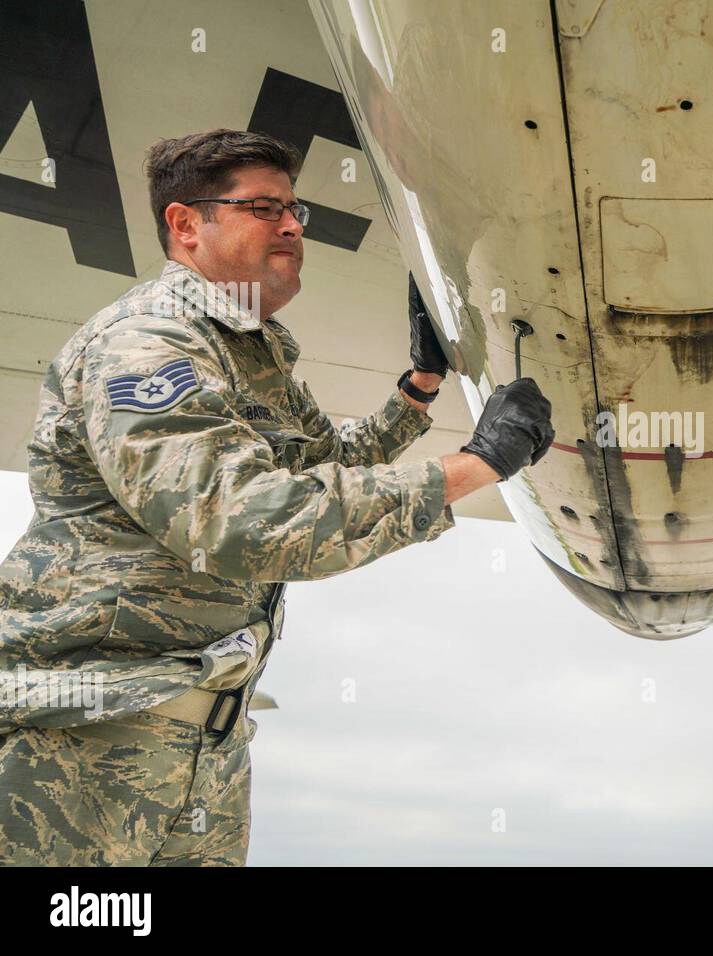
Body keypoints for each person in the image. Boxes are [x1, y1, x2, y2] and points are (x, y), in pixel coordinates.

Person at [0, 129, 554, 864]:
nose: (293, 225)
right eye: (264, 207)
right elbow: (240, 521)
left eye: (296, 210)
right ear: (186, 223)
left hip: (206, 749)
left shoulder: (251, 351)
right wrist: (473, 466)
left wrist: (419, 387)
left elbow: (323, 464)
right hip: (82, 743)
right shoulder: (145, 344)